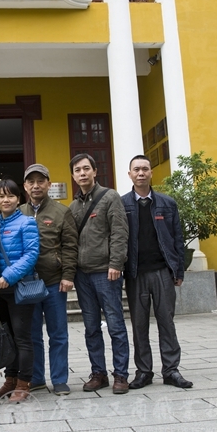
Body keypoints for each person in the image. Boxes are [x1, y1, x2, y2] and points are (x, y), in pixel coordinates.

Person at [121, 155, 193, 389]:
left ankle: (171, 370)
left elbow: (177, 238)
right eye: (136, 170)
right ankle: (144, 371)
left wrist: (179, 270)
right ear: (130, 174)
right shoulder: (122, 205)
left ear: (151, 173)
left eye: (145, 169)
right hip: (135, 274)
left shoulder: (167, 203)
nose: (141, 173)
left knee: (166, 322)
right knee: (139, 325)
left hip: (163, 271)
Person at [68, 153, 130, 395]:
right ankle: (98, 373)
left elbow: (119, 232)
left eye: (86, 168)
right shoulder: (73, 207)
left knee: (115, 325)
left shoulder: (110, 197)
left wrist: (116, 263)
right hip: (82, 275)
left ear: (95, 171)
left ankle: (121, 375)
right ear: (73, 176)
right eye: (77, 170)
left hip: (106, 272)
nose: (82, 173)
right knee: (91, 327)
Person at [20, 164, 78, 396]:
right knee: (32, 334)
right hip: (27, 284)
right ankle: (36, 378)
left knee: (58, 333)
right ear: (25, 186)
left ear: (48, 184)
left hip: (54, 281)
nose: (36, 186)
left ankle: (60, 379)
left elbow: (70, 246)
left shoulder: (61, 212)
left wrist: (68, 275)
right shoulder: (18, 211)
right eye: (31, 182)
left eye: (40, 181)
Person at [0, 178, 40, 403]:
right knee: (6, 338)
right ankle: (9, 380)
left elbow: (31, 254)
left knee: (22, 338)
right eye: (1, 196)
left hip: (19, 288)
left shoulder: (27, 222)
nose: (6, 200)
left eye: (10, 195)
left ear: (18, 199)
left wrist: (8, 276)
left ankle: (23, 382)